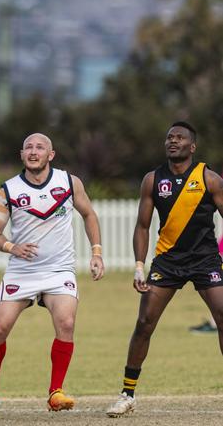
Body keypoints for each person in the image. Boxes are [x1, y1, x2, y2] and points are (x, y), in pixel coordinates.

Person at [0, 133, 105, 416]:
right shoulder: (8, 190)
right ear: (21, 155)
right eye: (29, 148)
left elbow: (89, 215)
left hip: (58, 270)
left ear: (51, 154)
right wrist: (13, 247)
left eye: (40, 147)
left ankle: (55, 392)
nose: (34, 152)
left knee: (66, 322)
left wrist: (96, 253)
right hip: (21, 271)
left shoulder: (69, 183)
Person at [106, 121, 223, 417]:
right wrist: (138, 265)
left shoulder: (209, 179)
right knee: (144, 322)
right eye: (169, 137)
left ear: (192, 147)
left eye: (180, 138)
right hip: (168, 261)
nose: (173, 141)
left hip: (205, 260)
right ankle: (127, 394)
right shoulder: (152, 180)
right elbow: (142, 226)